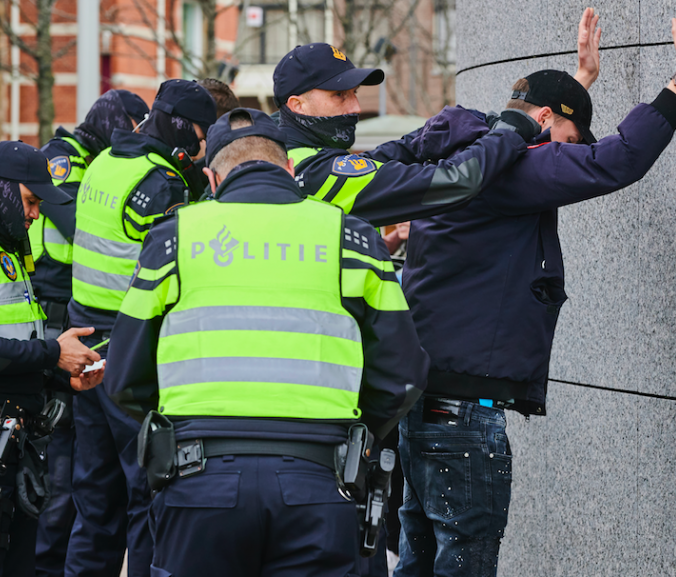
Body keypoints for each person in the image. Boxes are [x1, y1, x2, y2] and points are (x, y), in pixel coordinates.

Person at [395, 3, 676, 576]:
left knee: (417, 565)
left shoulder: (462, 155)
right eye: (567, 140)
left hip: (423, 408)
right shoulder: (509, 169)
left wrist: (581, 83)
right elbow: (616, 160)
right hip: (463, 422)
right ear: (544, 124)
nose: (568, 157)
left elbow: (546, 129)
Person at [103, 108, 428, 577]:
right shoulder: (352, 239)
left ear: (213, 181)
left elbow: (124, 376)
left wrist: (182, 426)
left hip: (199, 483)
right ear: (291, 169)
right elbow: (403, 372)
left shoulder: (173, 240)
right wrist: (356, 434)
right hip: (321, 483)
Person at [65, 79, 216, 577]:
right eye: (200, 132)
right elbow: (181, 265)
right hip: (127, 350)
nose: (200, 144)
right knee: (145, 494)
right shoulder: (160, 182)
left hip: (84, 344)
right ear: (179, 126)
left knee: (94, 498)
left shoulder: (106, 161)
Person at [0, 141, 103, 577]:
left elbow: (18, 339)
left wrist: (62, 374)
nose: (36, 214)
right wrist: (55, 352)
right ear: (0, 190)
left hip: (11, 440)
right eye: (31, 201)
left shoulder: (10, 246)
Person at [31, 89, 149, 577]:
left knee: (86, 470)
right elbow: (76, 221)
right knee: (64, 463)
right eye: (133, 127)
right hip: (58, 309)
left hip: (79, 313)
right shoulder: (65, 158)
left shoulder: (99, 160)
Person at [273, 42, 548, 228]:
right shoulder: (316, 172)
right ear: (298, 104)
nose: (355, 107)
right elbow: (454, 182)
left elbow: (371, 163)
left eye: (354, 94)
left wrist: (422, 140)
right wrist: (510, 131)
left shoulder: (284, 155)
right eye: (339, 96)